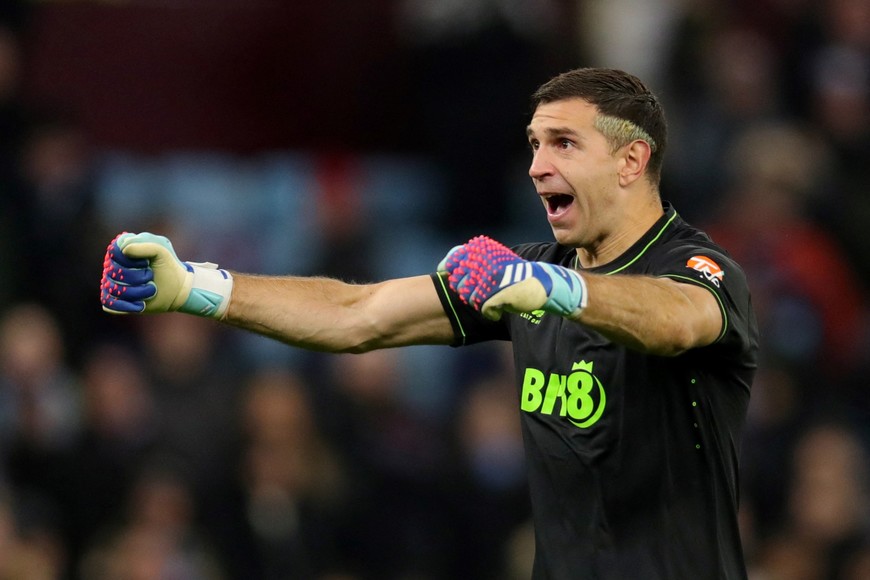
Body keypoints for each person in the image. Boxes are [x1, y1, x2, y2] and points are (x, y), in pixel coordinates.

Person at [100, 67, 759, 579]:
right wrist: (197, 286)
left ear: (631, 161)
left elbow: (676, 319)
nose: (536, 166)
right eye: (533, 145)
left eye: (563, 143)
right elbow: (359, 316)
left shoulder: (700, 267)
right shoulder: (526, 273)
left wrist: (554, 288)